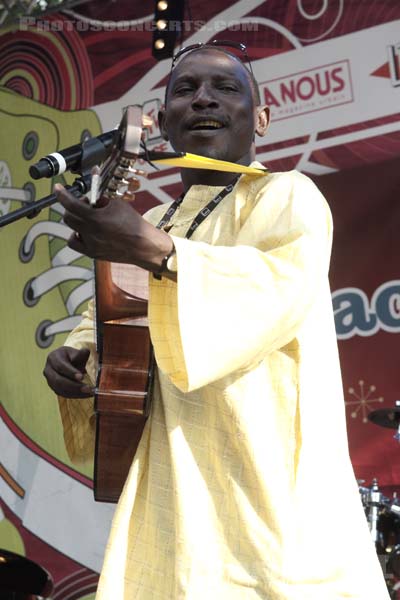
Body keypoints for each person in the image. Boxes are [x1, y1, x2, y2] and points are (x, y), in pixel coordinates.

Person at [43, 44, 390, 599]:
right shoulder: (156, 219)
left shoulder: (288, 195)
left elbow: (274, 292)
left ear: (261, 118)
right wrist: (79, 354)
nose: (203, 97)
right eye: (185, 89)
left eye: (226, 88)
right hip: (171, 487)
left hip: (264, 488)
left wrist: (154, 249)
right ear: (164, 121)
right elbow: (112, 316)